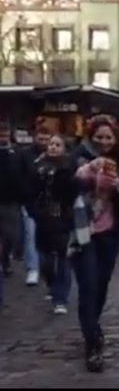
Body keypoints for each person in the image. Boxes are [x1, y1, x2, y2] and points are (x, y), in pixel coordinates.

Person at [69, 115, 119, 373]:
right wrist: (85, 175)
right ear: (90, 137)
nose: (103, 142)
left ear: (115, 139)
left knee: (100, 285)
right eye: (98, 137)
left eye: (108, 137)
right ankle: (92, 345)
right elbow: (64, 187)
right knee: (88, 285)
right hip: (82, 232)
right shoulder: (78, 158)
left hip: (109, 231)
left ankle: (93, 325)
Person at [28, 134, 76, 315]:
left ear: (64, 148)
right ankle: (51, 283)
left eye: (58, 144)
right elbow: (30, 190)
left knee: (64, 257)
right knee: (46, 259)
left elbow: (72, 191)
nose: (53, 147)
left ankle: (60, 298)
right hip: (43, 217)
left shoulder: (69, 166)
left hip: (63, 217)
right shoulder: (38, 166)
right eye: (51, 144)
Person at [17, 126, 51, 286]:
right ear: (34, 137)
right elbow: (21, 177)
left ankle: (47, 267)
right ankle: (33, 268)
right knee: (30, 235)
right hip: (30, 201)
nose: (43, 142)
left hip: (50, 203)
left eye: (46, 139)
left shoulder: (55, 153)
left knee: (49, 237)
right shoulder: (25, 154)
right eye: (41, 139)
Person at [0, 121, 23, 308]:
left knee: (12, 236)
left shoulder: (16, 153)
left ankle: (5, 256)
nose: (3, 136)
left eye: (5, 132)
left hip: (11, 202)